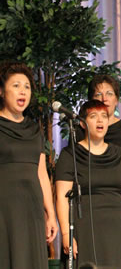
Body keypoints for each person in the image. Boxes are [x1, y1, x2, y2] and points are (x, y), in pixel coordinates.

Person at [55, 99, 121, 267]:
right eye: (94, 116)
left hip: (118, 228)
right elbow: (61, 197)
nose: (100, 120)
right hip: (85, 228)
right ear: (82, 123)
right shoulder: (70, 155)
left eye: (104, 116)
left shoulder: (119, 154)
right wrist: (66, 233)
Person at [0, 61, 58, 268]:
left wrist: (50, 213)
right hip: (4, 209)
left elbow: (41, 173)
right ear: (1, 91)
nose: (22, 91)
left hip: (31, 209)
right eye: (15, 86)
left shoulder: (35, 130)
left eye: (26, 86)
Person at [76, 74, 121, 211]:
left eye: (109, 94)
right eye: (98, 94)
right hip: (90, 205)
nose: (104, 99)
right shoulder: (80, 130)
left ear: (116, 100)